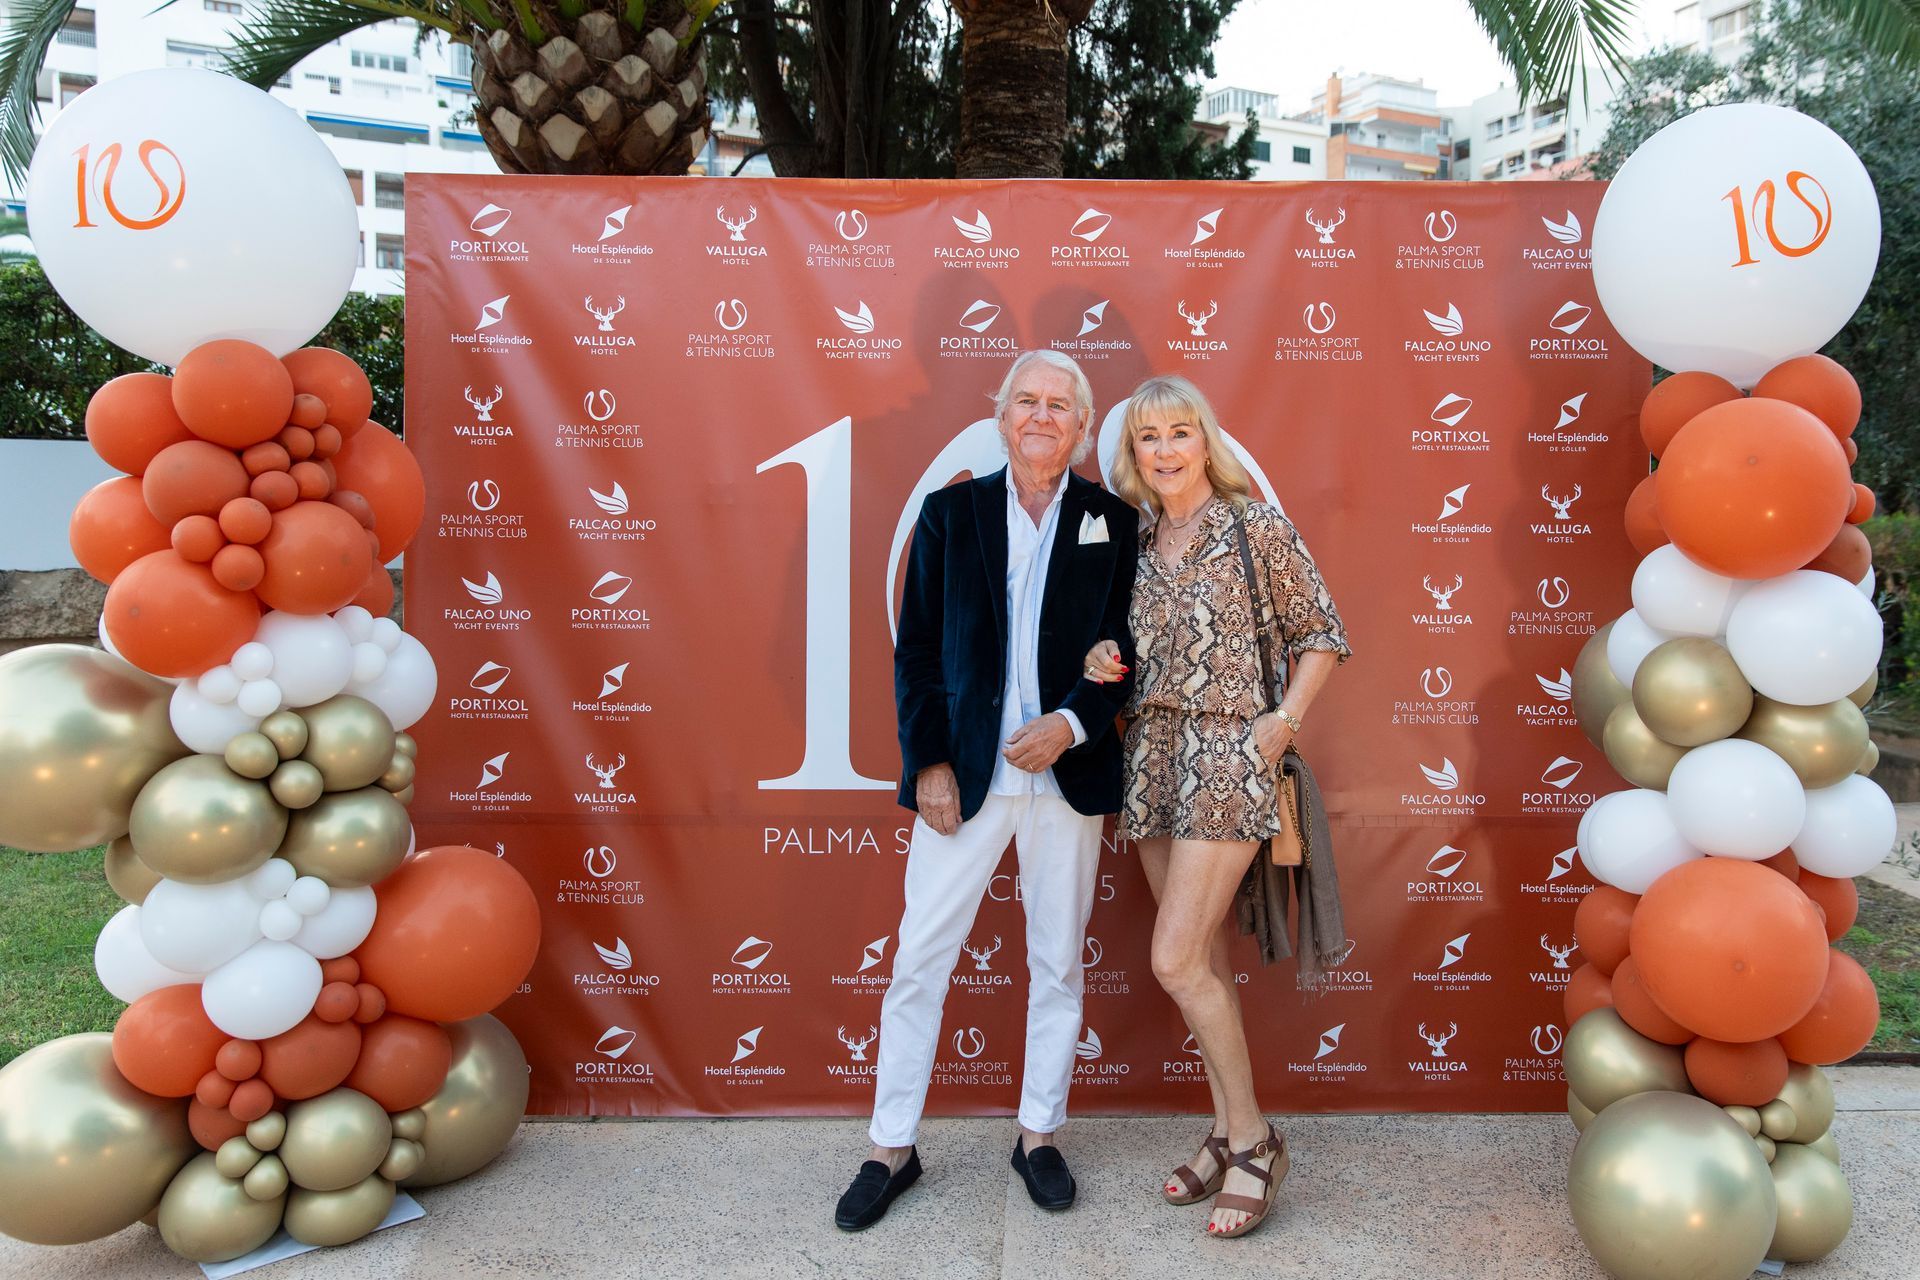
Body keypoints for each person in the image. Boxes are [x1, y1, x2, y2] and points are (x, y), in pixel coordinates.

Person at [834, 350, 1138, 1232]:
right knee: (919, 959)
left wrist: (1072, 723)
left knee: (1058, 963)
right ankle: (891, 1147)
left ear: (1083, 426)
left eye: (1060, 405)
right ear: (1002, 416)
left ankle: (1039, 1136)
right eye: (1027, 401)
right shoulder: (949, 513)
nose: (1042, 416)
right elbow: (917, 653)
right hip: (965, 780)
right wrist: (928, 761)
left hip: (1065, 777)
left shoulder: (1113, 521)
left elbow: (1126, 648)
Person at [1083, 373, 1350, 1238]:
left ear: (1206, 441)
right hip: (1150, 758)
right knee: (1199, 960)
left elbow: (1322, 633)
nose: (1165, 451)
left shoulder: (1253, 526)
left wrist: (1281, 722)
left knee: (1172, 960)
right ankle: (1226, 1128)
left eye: (1179, 432)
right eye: (1148, 437)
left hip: (1229, 755)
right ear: (1133, 453)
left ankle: (1255, 1141)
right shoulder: (1131, 537)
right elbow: (1114, 647)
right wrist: (1099, 663)